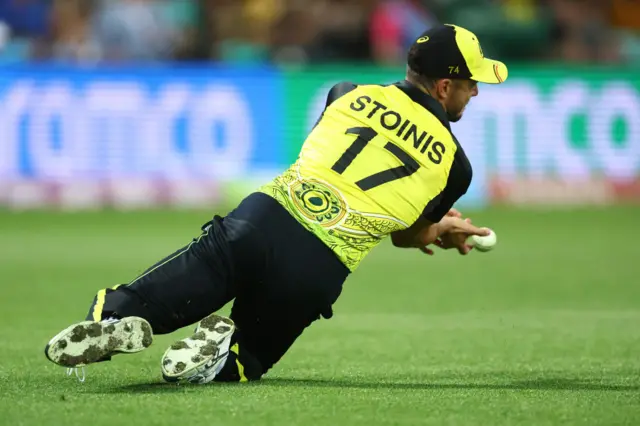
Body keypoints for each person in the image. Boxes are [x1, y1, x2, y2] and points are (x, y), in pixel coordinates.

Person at [44, 24, 508, 384]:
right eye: (471, 82)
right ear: (445, 87)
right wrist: (440, 230)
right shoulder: (455, 166)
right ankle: (220, 352)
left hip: (262, 221)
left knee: (140, 300)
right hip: (317, 269)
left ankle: (115, 319)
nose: (477, 91)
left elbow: (329, 158)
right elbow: (405, 233)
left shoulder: (346, 93)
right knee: (249, 361)